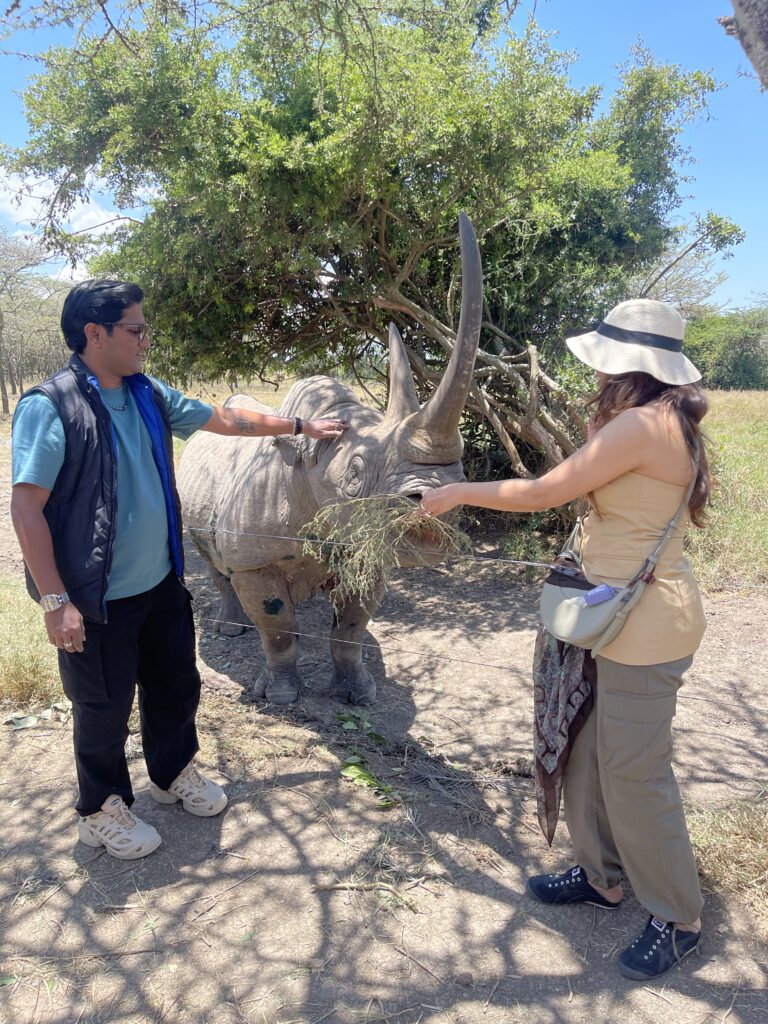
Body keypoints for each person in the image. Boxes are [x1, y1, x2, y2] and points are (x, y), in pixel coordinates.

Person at [420, 298, 710, 982]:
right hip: (610, 612)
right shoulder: (656, 419)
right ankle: (603, 875)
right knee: (583, 750)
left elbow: (545, 491)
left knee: (635, 772)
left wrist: (459, 491)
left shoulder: (642, 424)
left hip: (644, 625)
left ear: (628, 367)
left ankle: (679, 917)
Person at [11, 278, 347, 861]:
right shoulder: (51, 406)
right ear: (96, 333)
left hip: (162, 584)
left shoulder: (147, 393)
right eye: (135, 329)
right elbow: (26, 508)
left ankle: (171, 775)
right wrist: (55, 601)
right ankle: (101, 810)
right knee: (103, 707)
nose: (145, 341)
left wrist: (299, 427)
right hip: (94, 598)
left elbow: (222, 420)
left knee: (174, 687)